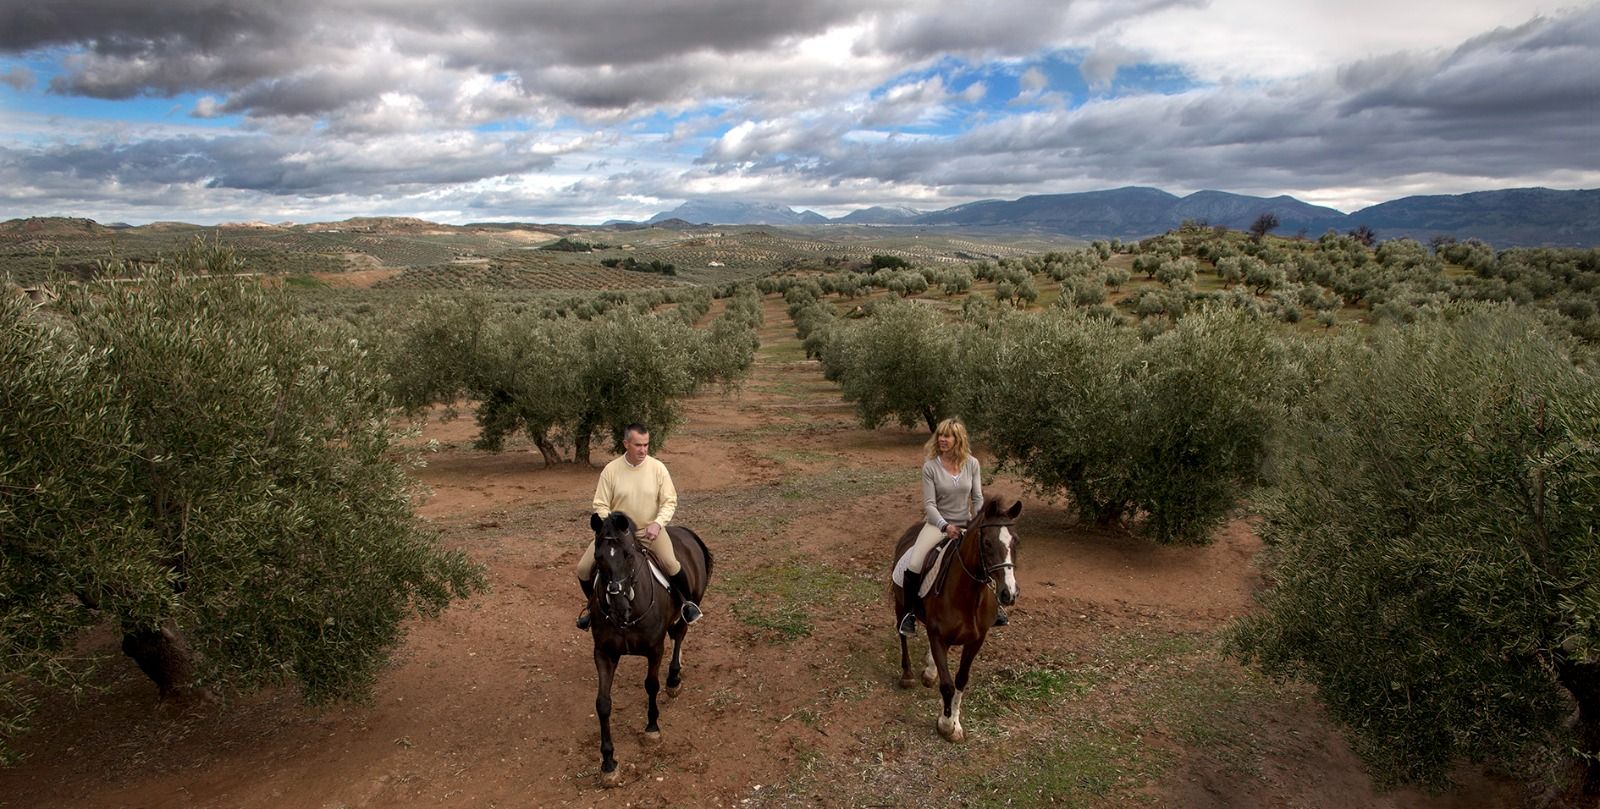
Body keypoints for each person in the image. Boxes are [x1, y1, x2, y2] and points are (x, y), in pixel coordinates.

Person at [575, 423, 702, 629]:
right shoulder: (611, 470)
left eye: (646, 445)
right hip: (617, 537)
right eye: (638, 445)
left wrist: (658, 524)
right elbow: (600, 504)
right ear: (626, 444)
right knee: (582, 568)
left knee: (671, 564)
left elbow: (669, 501)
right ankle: (593, 608)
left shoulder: (658, 469)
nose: (643, 450)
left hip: (648, 532)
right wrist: (613, 527)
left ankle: (687, 605)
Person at [898, 418, 1004, 636]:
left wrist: (980, 522)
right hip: (937, 525)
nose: (942, 439)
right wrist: (945, 526)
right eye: (940, 435)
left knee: (987, 558)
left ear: (959, 439)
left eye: (948, 436)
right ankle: (909, 614)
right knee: (915, 562)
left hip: (966, 523)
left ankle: (996, 608)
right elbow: (929, 504)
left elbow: (976, 498)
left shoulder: (972, 464)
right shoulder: (931, 467)